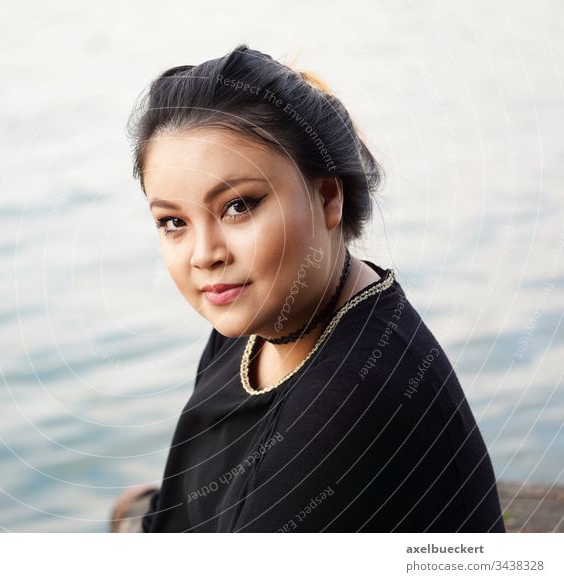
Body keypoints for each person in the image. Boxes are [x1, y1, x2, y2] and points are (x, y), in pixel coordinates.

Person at [113, 44, 505, 532]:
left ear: (326, 197)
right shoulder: (251, 323)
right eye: (173, 221)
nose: (204, 254)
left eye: (239, 206)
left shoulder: (348, 405)